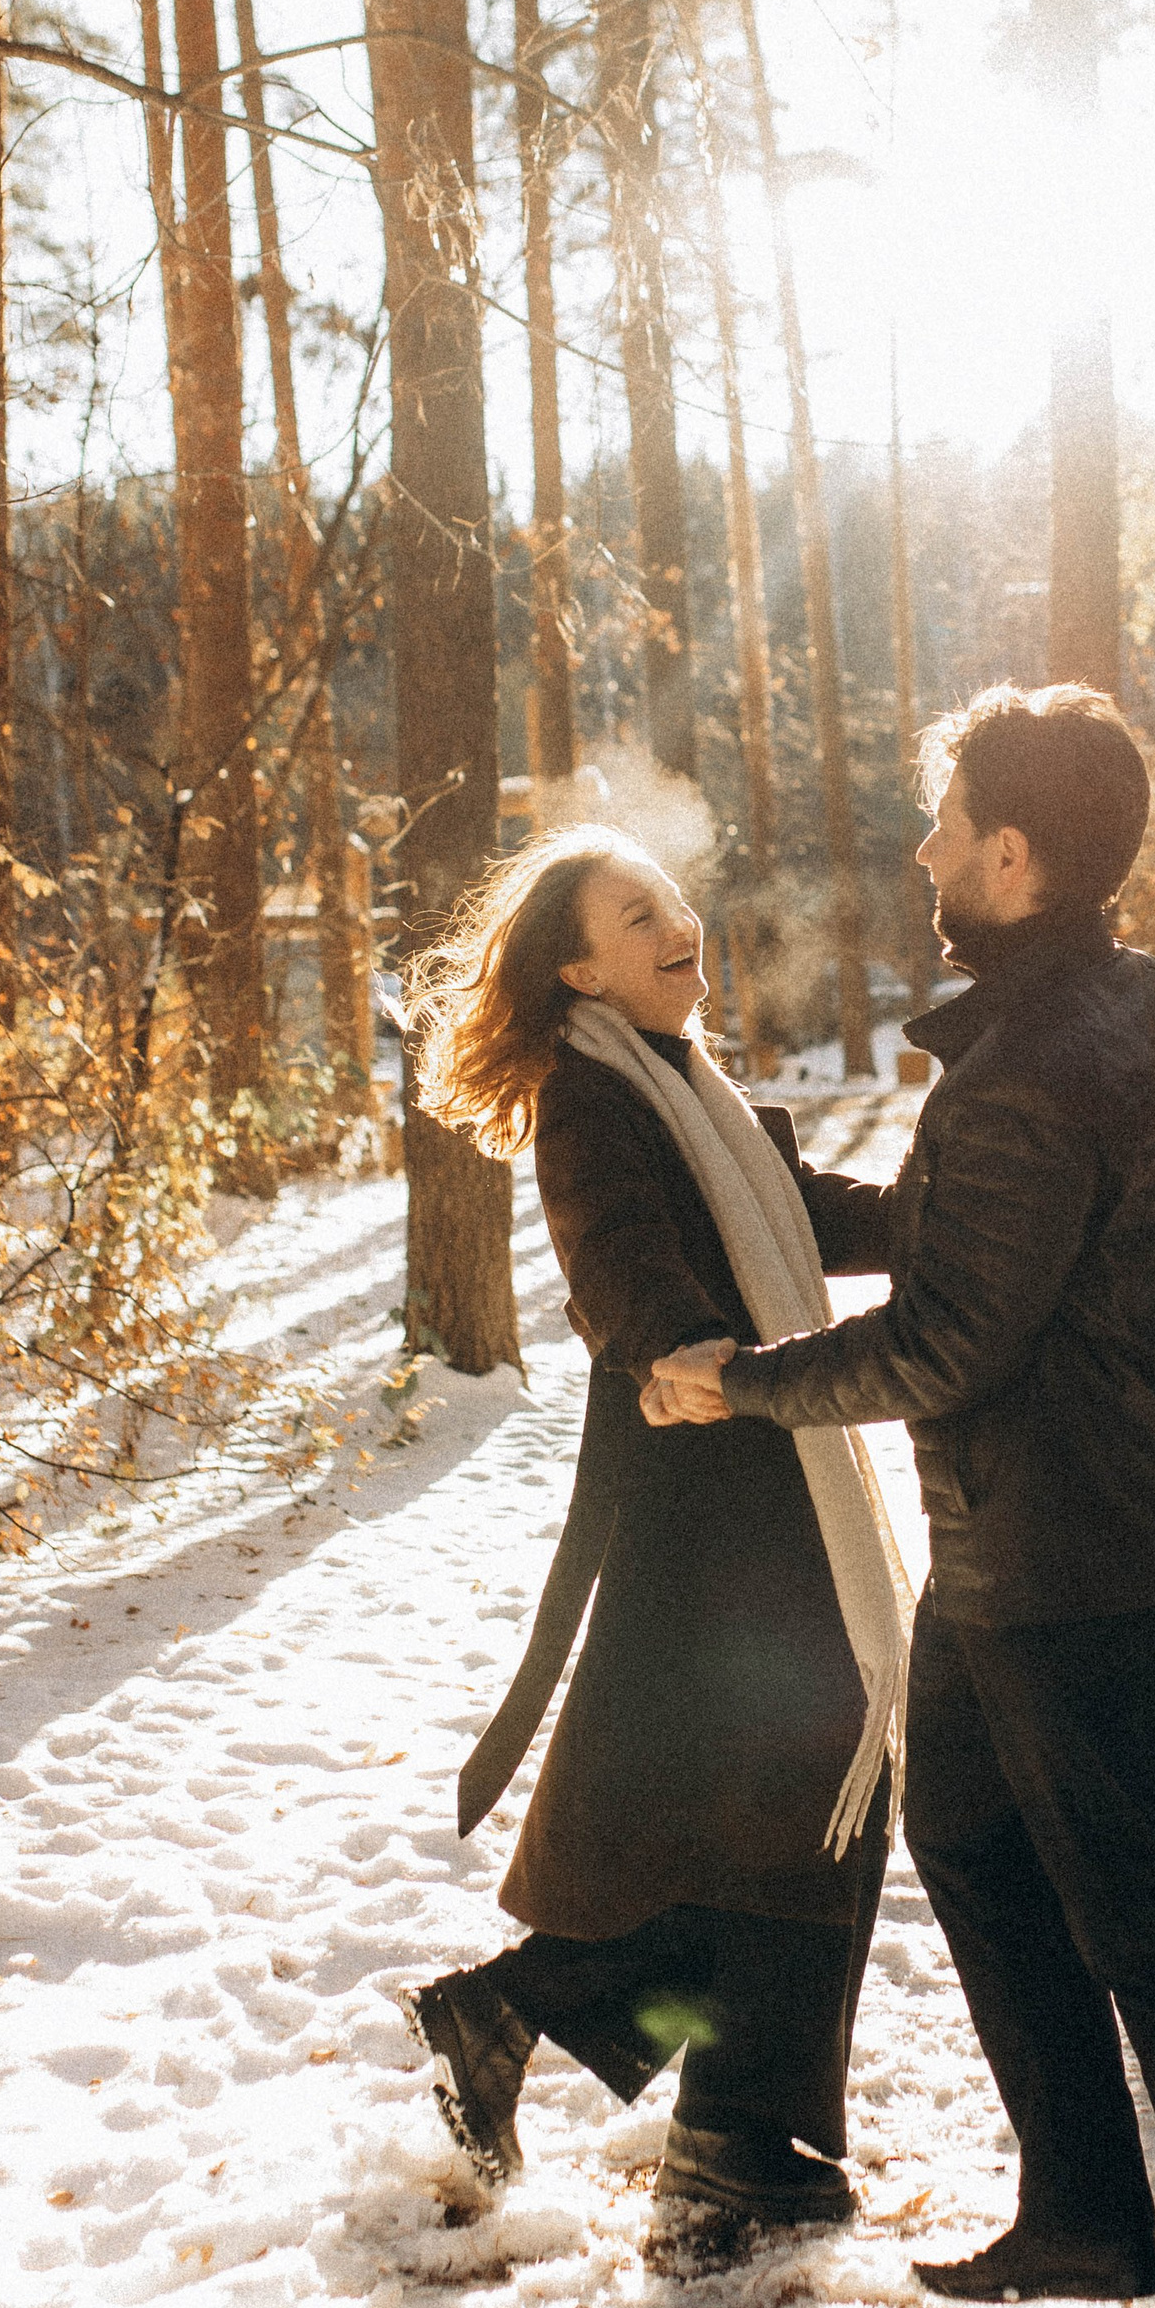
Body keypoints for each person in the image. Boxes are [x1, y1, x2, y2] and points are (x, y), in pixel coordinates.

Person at [645, 685, 1155, 2308]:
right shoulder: (1121, 1003)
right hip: (1055, 1537)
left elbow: (951, 1340)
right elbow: (995, 1257)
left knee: (1137, 1904)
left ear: (1015, 857)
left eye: (951, 819)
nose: (927, 845)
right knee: (963, 1823)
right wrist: (783, 1183)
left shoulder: (1040, 1065)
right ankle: (1088, 2202)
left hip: (1090, 1563)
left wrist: (737, 1384)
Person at [402, 827, 912, 2233]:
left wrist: (951, 1220)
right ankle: (700, 2117)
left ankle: (677, 2103)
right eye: (641, 913)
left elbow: (804, 1218)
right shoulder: (596, 1096)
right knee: (802, 1810)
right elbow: (610, 1249)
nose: (681, 920)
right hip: (713, 1489)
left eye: (675, 899)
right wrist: (681, 1349)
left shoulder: (690, 1083)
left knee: (793, 1823)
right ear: (579, 964)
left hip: (762, 1473)